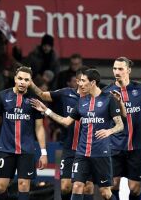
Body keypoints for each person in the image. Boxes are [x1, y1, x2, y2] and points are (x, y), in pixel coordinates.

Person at [30, 69, 124, 200]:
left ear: (92, 82)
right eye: (79, 81)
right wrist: (46, 110)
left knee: (105, 193)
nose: (80, 84)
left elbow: (120, 125)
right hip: (81, 153)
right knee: (77, 186)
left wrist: (109, 131)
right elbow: (66, 121)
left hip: (101, 153)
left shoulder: (109, 99)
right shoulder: (82, 102)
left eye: (83, 81)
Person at [29, 67, 93, 200]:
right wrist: (31, 83)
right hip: (69, 147)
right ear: (76, 81)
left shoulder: (96, 98)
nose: (84, 83)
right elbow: (42, 95)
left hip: (89, 149)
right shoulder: (65, 93)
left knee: (87, 188)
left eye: (87, 80)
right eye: (82, 80)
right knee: (65, 187)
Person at [0, 66, 48, 200]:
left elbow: (39, 127)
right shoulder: (3, 95)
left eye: (26, 80)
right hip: (5, 149)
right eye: (20, 78)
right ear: (15, 79)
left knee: (23, 185)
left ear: (30, 82)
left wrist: (43, 153)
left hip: (26, 150)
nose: (22, 82)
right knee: (0, 187)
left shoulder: (34, 100)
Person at [102, 57, 141, 200]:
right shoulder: (107, 92)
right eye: (115, 68)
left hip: (135, 147)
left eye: (121, 69)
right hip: (114, 146)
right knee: (112, 186)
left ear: (128, 70)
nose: (117, 72)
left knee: (135, 189)